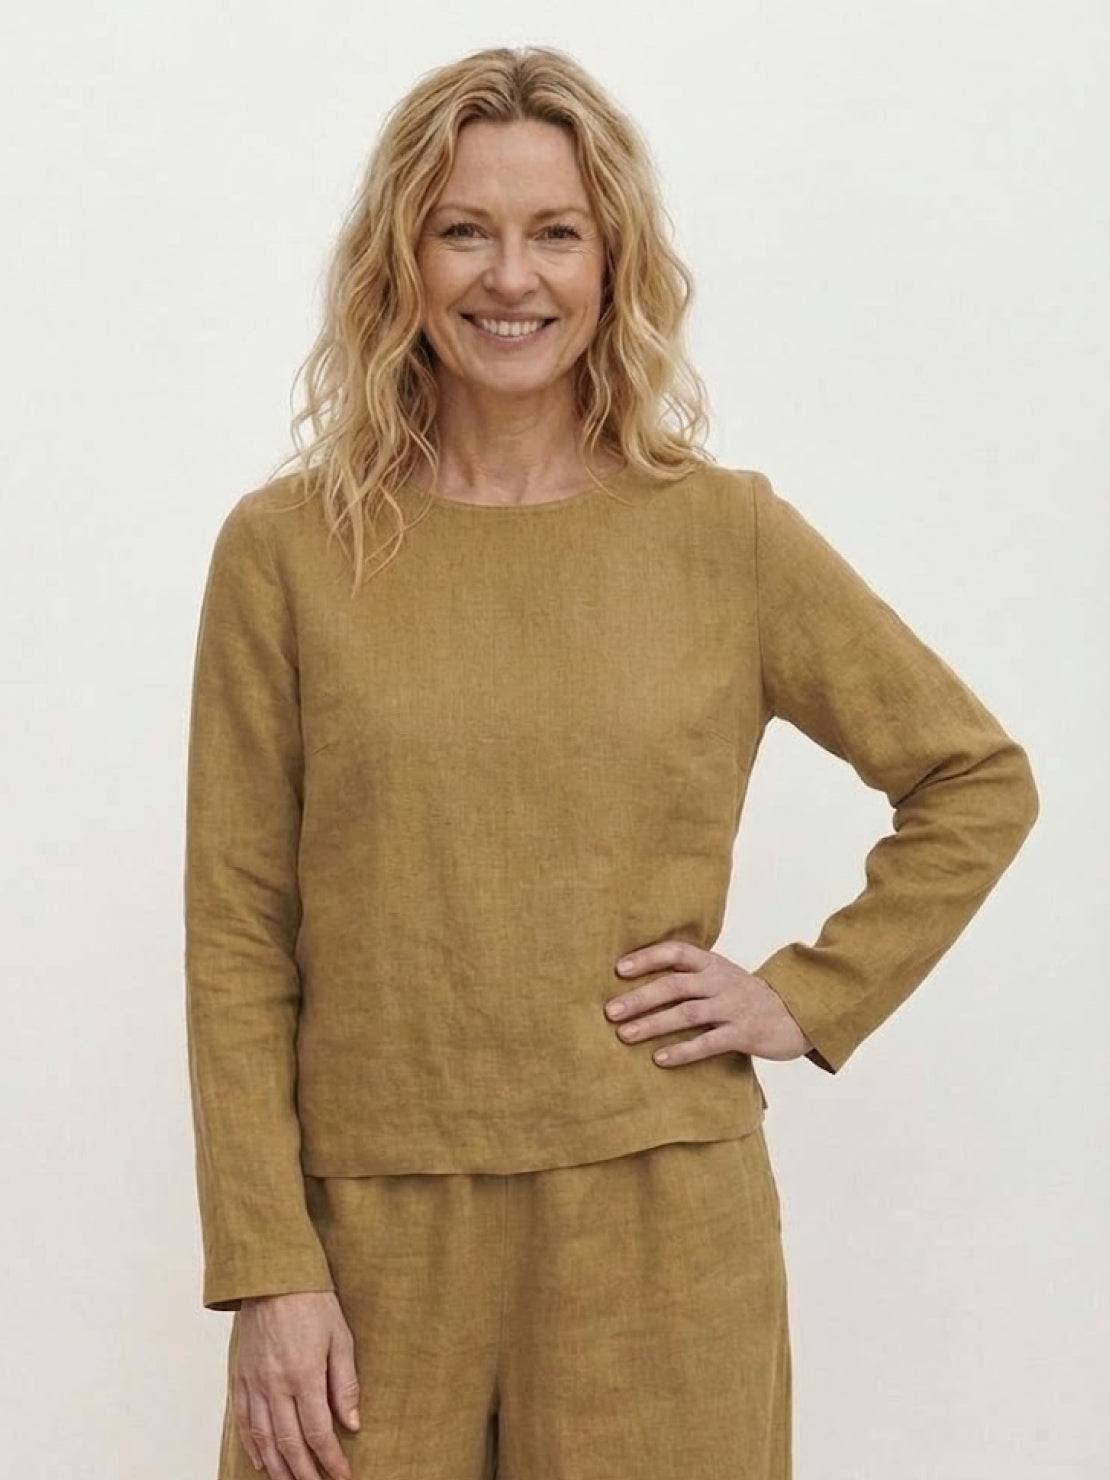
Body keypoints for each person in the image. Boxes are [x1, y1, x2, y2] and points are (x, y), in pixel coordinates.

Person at [183, 45, 1040, 1480]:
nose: (509, 277)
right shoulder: (287, 551)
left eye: (556, 233)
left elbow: (973, 777)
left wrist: (805, 994)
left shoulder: (723, 534)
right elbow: (235, 930)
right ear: (401, 260)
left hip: (660, 1218)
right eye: (464, 230)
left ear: (613, 262)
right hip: (369, 1229)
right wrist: (268, 1266)